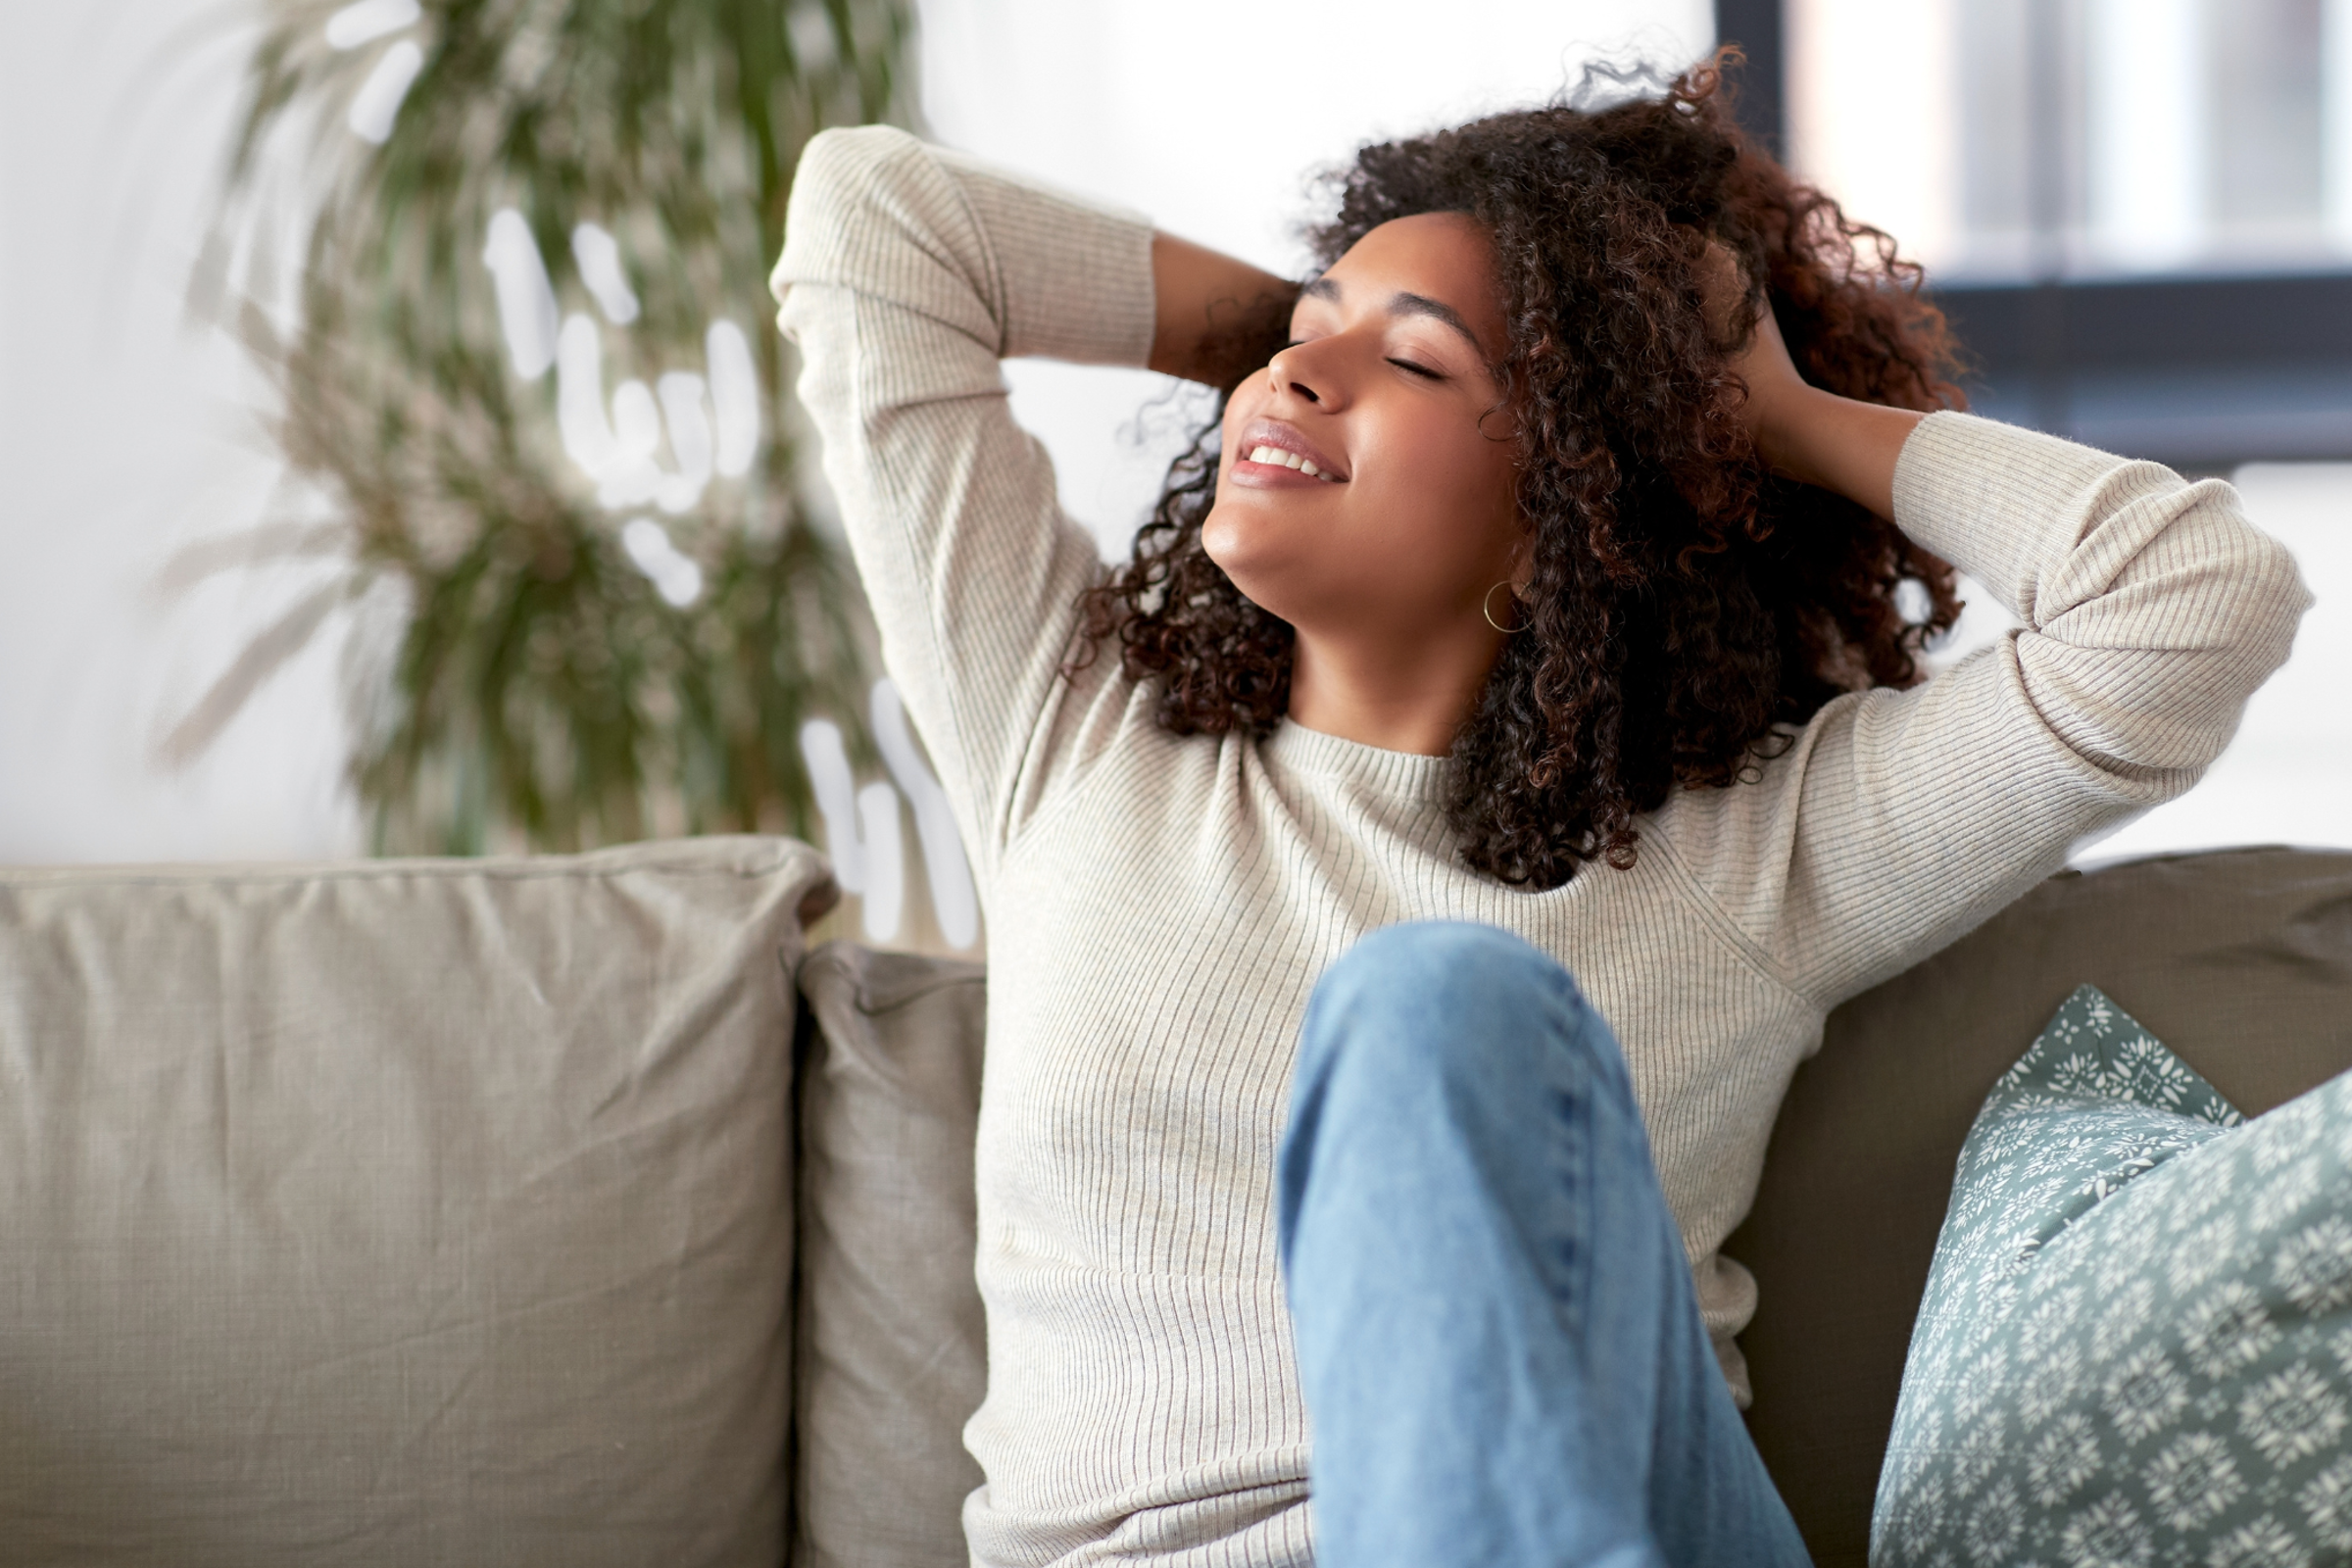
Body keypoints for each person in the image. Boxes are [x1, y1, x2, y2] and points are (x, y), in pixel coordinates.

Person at [770, 56, 2309, 1568]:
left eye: (1422, 364)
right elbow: (875, 222)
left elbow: (2192, 605)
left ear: (1574, 504)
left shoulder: (1748, 859)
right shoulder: (1070, 732)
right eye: (1304, 336)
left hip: (1615, 1520)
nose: (1296, 372)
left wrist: (1747, 416)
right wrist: (1325, 361)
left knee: (1434, 1004)